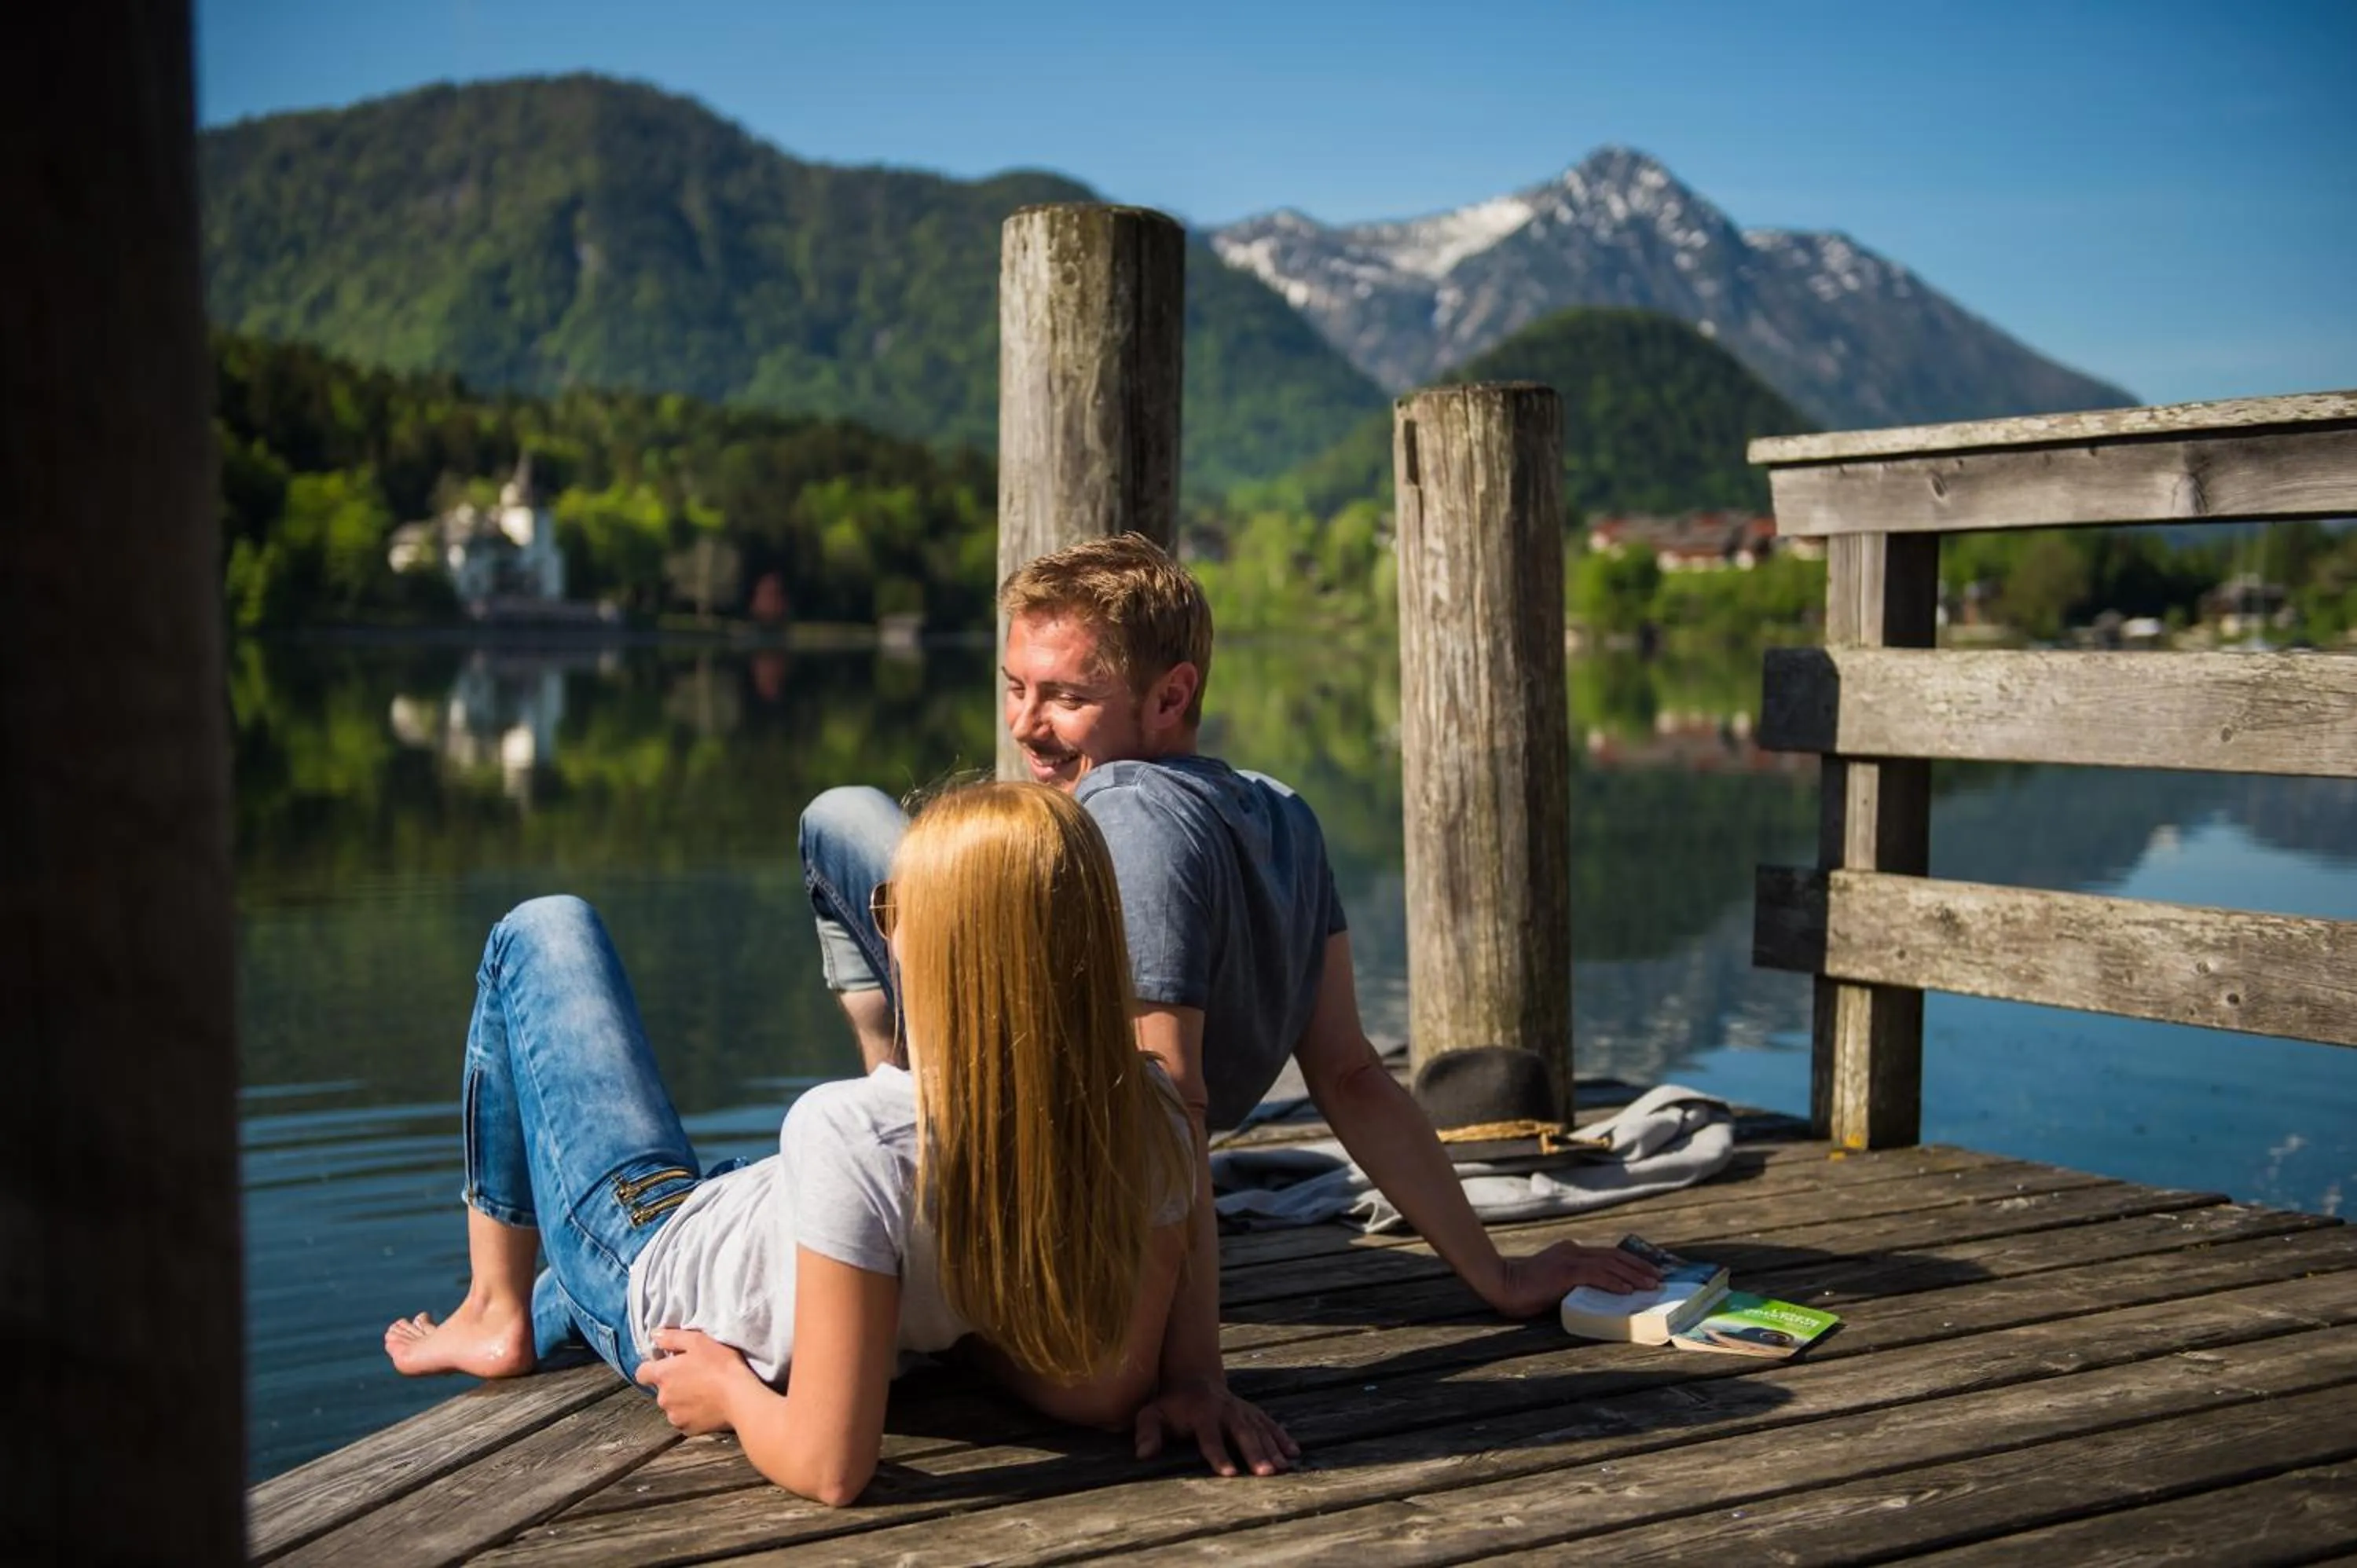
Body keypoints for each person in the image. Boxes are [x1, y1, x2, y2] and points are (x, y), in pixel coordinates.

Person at [799, 534, 1662, 1467]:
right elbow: (1350, 1071)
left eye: (1067, 697)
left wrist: (1197, 1374)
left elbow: (1174, 1100)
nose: (1026, 724)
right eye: (1017, 686)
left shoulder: (1128, 815)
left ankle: (902, 1104)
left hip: (1079, 1157)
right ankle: (903, 1089)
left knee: (839, 814)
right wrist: (1496, 1274)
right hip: (1093, 1121)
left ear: (1171, 695)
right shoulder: (1286, 811)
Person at [385, 781, 1290, 1507]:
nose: (883, 921)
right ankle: (536, 1305)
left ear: (942, 951)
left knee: (542, 929)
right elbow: (1103, 1389)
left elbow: (830, 1468)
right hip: (775, 1221)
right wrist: (1196, 1378)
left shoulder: (852, 1132)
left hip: (656, 1274)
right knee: (741, 1189)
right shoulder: (1147, 1107)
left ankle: (498, 1309)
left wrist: (730, 1393)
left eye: (897, 906)